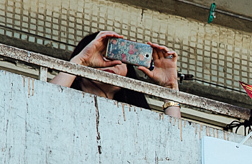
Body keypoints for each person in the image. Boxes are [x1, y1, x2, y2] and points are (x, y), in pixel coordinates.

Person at [51, 31, 182, 120]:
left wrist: (170, 87)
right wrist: (79, 61)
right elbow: (45, 99)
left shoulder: (134, 118)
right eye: (103, 54)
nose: (110, 62)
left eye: (119, 56)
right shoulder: (63, 102)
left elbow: (173, 141)